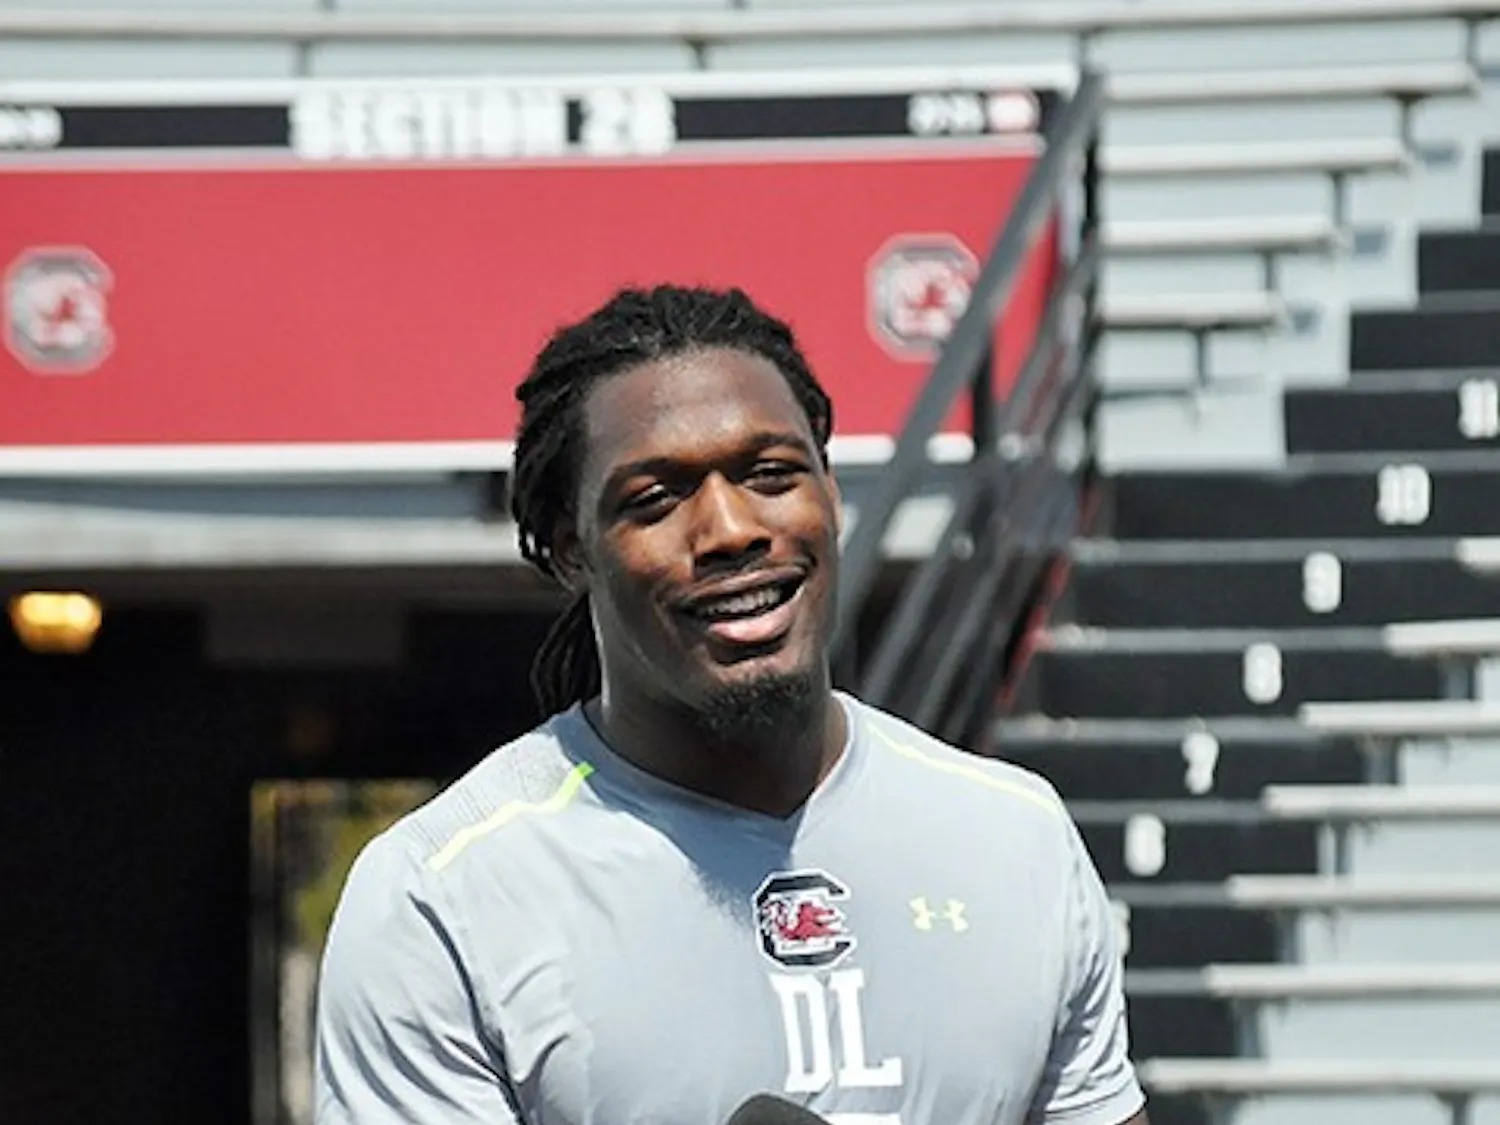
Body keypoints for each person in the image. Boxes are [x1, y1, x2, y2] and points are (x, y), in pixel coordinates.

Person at [314, 285, 1147, 1125]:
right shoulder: (442, 897)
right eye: (655, 499)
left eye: (772, 473)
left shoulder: (1015, 835)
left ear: (830, 490)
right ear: (572, 549)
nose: (730, 528)